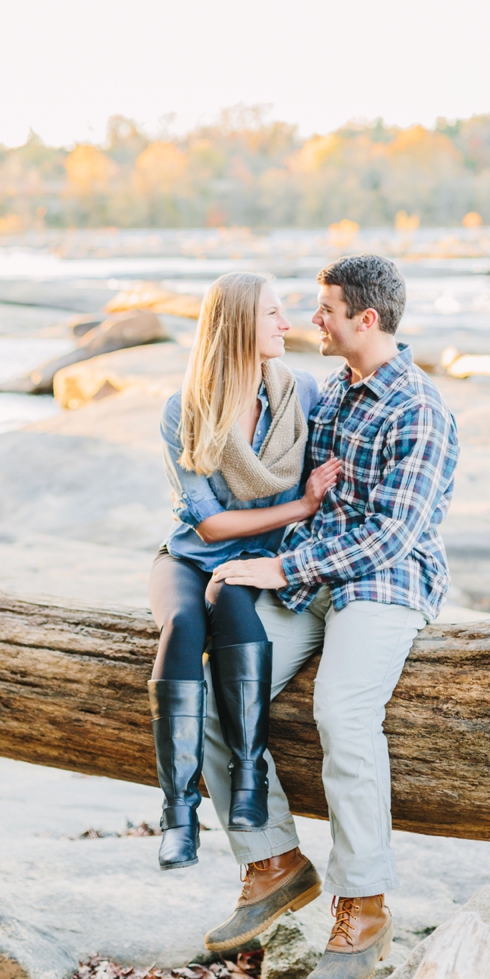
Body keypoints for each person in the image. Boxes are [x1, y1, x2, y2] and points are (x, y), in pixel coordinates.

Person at [201, 255, 459, 979]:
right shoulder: (336, 392)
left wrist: (278, 572)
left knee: (341, 713)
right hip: (314, 576)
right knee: (224, 688)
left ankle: (364, 905)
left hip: (384, 583)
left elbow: (392, 536)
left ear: (365, 320)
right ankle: (274, 861)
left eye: (326, 310)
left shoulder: (418, 408)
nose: (314, 320)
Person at [147, 271, 340, 872]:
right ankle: (178, 816)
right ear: (236, 327)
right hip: (188, 558)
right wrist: (302, 505)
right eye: (273, 315)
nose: (288, 325)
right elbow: (206, 528)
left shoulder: (299, 393)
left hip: (255, 566)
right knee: (182, 623)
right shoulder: (187, 410)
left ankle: (249, 780)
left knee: (233, 607)